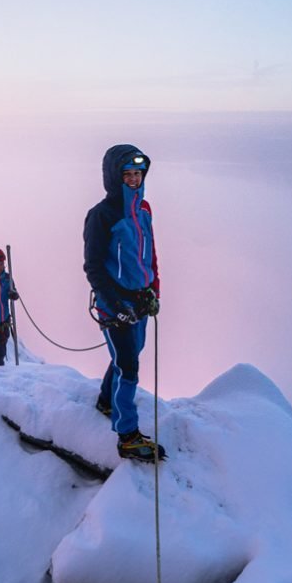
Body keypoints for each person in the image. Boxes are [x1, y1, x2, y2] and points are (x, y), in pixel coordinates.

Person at [83, 144, 166, 463]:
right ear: (113, 177)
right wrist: (116, 304)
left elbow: (150, 254)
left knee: (128, 356)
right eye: (127, 174)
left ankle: (107, 401)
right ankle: (126, 434)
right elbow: (93, 267)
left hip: (140, 301)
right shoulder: (102, 215)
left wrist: (153, 290)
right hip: (114, 305)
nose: (133, 179)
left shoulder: (143, 209)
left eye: (137, 174)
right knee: (128, 366)